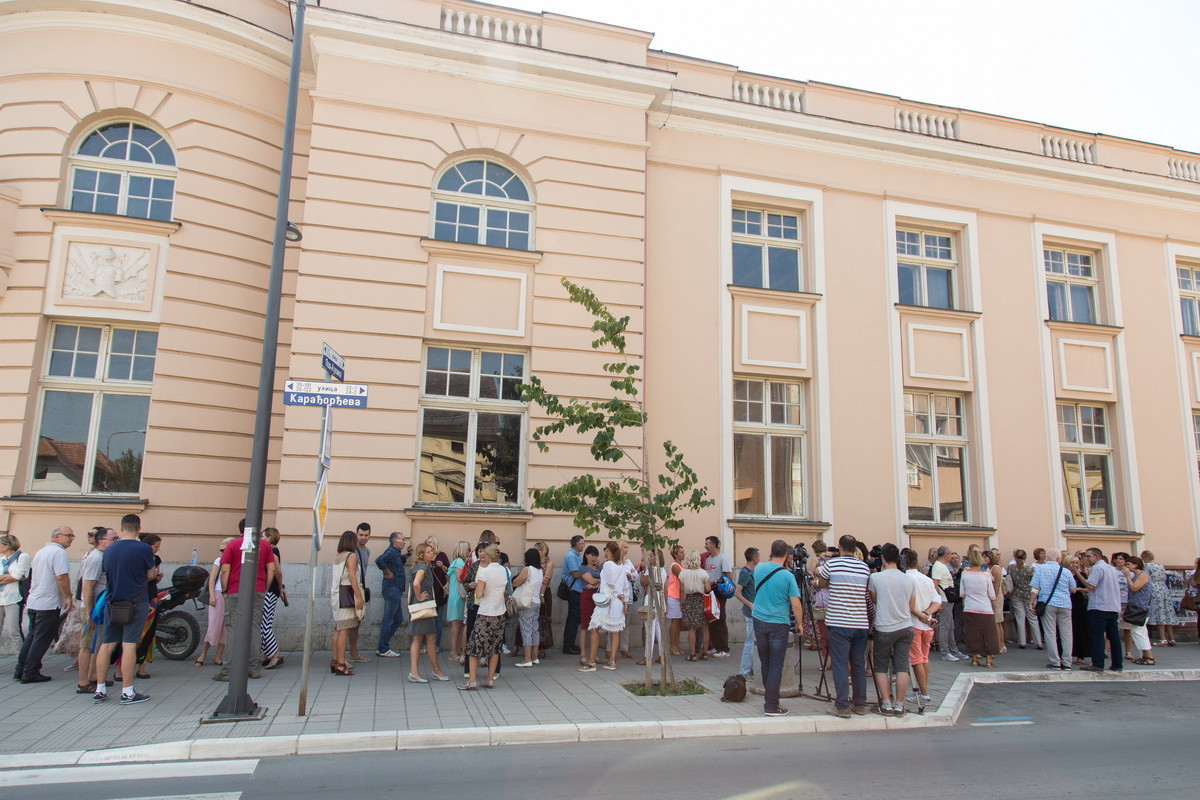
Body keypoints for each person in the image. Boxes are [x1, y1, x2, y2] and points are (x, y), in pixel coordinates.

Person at [91, 516, 155, 704]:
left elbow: (108, 571)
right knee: (129, 645)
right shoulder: (144, 548)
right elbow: (151, 574)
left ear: (121, 528)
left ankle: (99, 689)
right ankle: (127, 691)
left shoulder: (110, 549)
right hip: (136, 601)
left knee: (107, 644)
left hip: (112, 601)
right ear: (139, 528)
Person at [214, 519, 277, 681]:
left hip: (235, 590)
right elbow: (271, 569)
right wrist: (264, 587)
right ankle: (254, 668)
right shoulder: (265, 546)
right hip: (257, 590)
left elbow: (225, 570)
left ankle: (227, 670)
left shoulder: (233, 544)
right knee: (255, 627)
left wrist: (225, 590)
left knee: (232, 629)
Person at [818, 534, 872, 718]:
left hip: (839, 621)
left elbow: (823, 582)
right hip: (860, 622)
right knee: (858, 663)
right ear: (855, 548)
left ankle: (841, 705)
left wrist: (818, 582)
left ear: (839, 547)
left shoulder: (832, 564)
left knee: (840, 663)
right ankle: (860, 703)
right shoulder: (864, 567)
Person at [14, 526, 75, 683]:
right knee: (41, 638)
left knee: (32, 636)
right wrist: (68, 596)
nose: (71, 538)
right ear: (56, 537)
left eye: (72, 536)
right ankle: (30, 671)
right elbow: (61, 577)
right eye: (68, 535)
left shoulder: (42, 551)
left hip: (35, 600)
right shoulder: (59, 553)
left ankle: (20, 669)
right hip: (48, 603)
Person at [751, 540, 802, 717]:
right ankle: (771, 704)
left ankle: (770, 698)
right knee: (775, 664)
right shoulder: (788, 576)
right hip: (779, 622)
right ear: (787, 555)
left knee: (765, 661)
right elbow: (796, 603)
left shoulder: (759, 568)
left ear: (771, 552)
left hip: (759, 619)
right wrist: (800, 624)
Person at [868, 543, 918, 715]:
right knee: (902, 666)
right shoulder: (909, 579)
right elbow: (911, 606)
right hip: (905, 625)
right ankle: (900, 704)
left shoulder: (876, 578)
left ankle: (886, 703)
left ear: (882, 558)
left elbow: (874, 599)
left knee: (881, 666)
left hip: (884, 626)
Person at [460, 544, 506, 690]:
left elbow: (479, 594)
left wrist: (483, 589)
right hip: (500, 613)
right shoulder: (504, 570)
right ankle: (489, 679)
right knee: (495, 648)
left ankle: (472, 681)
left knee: (474, 647)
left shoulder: (484, 572)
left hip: (485, 613)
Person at [76, 528, 115, 693]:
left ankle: (94, 676)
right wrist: (90, 613)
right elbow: (87, 587)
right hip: (93, 609)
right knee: (87, 645)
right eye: (113, 539)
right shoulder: (96, 558)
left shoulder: (103, 556)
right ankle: (83, 682)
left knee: (97, 644)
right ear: (101, 541)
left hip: (100, 608)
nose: (116, 541)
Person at [1072, 547, 1122, 672]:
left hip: (1099, 606)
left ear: (1097, 556)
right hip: (1112, 606)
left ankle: (1098, 664)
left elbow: (1090, 586)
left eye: (1089, 556)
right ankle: (1117, 664)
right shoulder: (1111, 569)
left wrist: (1077, 573)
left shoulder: (1098, 568)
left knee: (1097, 636)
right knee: (1114, 637)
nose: (1087, 559)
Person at [407, 543, 450, 683]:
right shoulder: (423, 567)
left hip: (422, 607)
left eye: (431, 551)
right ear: (422, 555)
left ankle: (423, 671)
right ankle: (428, 671)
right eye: (428, 552)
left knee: (422, 638)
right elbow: (416, 583)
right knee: (425, 638)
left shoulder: (421, 566)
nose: (431, 554)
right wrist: (419, 597)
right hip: (423, 607)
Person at [584, 542, 629, 671]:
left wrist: (615, 594)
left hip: (607, 600)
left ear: (608, 550)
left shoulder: (608, 564)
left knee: (594, 627)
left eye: (605, 550)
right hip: (618, 602)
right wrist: (624, 600)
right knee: (615, 631)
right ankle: (612, 661)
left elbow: (610, 583)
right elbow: (625, 586)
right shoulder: (621, 566)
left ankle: (591, 661)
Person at [904, 550, 940, 706]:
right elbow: (937, 601)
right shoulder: (926, 579)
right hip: (927, 625)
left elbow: (909, 605)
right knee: (924, 658)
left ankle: (924, 693)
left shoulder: (906, 579)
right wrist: (927, 615)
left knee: (916, 659)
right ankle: (924, 690)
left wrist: (922, 615)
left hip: (914, 623)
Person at [1030, 548, 1072, 670]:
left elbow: (1035, 588)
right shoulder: (1065, 571)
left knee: (1050, 633)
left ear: (1047, 557)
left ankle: (1055, 661)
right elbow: (1072, 588)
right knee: (1066, 634)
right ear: (1058, 559)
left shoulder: (1040, 569)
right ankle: (1067, 662)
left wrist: (1031, 602)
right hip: (1065, 604)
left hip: (1048, 604)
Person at [195, 537, 234, 667]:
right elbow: (212, 579)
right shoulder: (219, 560)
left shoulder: (235, 561)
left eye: (223, 550)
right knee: (213, 626)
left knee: (225, 627)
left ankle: (218, 656)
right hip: (218, 593)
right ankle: (203, 654)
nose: (221, 553)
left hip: (230, 594)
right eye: (220, 550)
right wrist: (212, 595)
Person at [330, 530, 365, 676]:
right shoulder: (351, 556)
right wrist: (359, 597)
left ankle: (335, 660)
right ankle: (341, 664)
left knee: (338, 629)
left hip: (336, 594)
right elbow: (352, 577)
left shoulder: (338, 555)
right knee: (345, 630)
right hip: (346, 595)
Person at [960, 549, 999, 668]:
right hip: (985, 608)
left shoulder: (964, 574)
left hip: (969, 607)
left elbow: (962, 593)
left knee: (972, 633)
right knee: (988, 634)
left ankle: (975, 660)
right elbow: (992, 594)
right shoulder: (985, 575)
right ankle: (989, 661)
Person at [374, 531, 409, 659]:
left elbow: (398, 561)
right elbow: (379, 560)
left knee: (398, 619)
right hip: (392, 588)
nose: (404, 542)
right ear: (395, 541)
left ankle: (382, 645)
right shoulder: (391, 551)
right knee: (389, 619)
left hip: (396, 588)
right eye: (402, 540)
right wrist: (387, 572)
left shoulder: (396, 553)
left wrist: (408, 554)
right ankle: (383, 648)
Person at [133, 532, 163, 679]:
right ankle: (120, 667)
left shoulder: (156, 559)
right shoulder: (136, 557)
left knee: (148, 633)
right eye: (155, 546)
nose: (157, 549)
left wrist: (156, 578)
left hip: (151, 596)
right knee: (132, 634)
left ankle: (142, 666)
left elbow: (153, 578)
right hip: (138, 597)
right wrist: (151, 576)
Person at [931, 546, 964, 661]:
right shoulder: (938, 566)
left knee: (950, 625)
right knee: (945, 626)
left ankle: (953, 650)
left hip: (948, 600)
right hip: (944, 600)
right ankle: (945, 652)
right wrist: (938, 601)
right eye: (950, 554)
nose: (951, 556)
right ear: (945, 555)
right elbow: (935, 584)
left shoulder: (942, 566)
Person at [261, 528, 288, 669]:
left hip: (270, 591)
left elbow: (278, 571)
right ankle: (267, 654)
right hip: (271, 590)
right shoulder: (271, 551)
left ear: (269, 537)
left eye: (263, 536)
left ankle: (275, 654)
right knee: (264, 624)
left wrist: (279, 587)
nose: (261, 538)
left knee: (265, 625)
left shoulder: (272, 551)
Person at [0, 535, 31, 655]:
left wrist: (10, 576)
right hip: (1, 598)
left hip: (14, 598)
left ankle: (21, 659)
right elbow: (13, 576)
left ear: (7, 546)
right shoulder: (1, 560)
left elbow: (18, 576)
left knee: (14, 631)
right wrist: (10, 576)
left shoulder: (22, 557)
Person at [678, 551, 711, 662]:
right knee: (705, 628)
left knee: (691, 628)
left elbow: (682, 590)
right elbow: (708, 588)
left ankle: (692, 654)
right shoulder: (703, 573)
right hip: (701, 600)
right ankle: (705, 653)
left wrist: (681, 603)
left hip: (689, 600)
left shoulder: (683, 574)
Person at [513, 547, 544, 668]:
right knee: (534, 629)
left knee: (526, 629)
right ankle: (535, 656)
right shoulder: (540, 570)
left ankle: (527, 659)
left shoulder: (528, 569)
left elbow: (516, 582)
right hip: (536, 601)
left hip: (527, 602)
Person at [1141, 550, 1179, 646]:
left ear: (1145, 558)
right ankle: (1171, 638)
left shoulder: (1146, 566)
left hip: (1154, 589)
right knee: (1167, 612)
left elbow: (1145, 578)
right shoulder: (1160, 565)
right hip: (1163, 589)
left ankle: (1163, 639)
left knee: (1159, 613)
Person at [703, 535, 732, 657]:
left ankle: (724, 649)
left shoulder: (722, 558)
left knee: (720, 619)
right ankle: (715, 646)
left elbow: (729, 577)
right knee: (712, 619)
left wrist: (714, 582)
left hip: (719, 592)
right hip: (710, 592)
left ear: (714, 545)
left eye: (707, 544)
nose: (705, 546)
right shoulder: (708, 559)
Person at [1122, 555, 1154, 665]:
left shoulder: (1143, 575)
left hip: (1142, 608)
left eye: (1128, 564)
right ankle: (1145, 656)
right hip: (1137, 607)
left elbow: (1134, 587)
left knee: (1137, 630)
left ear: (1135, 565)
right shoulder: (1136, 576)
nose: (1127, 567)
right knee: (1141, 631)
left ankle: (1149, 656)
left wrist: (1127, 576)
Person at [734, 546, 760, 678]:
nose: (759, 559)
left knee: (754, 641)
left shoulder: (753, 571)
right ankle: (744, 671)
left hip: (756, 611)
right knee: (750, 641)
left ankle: (752, 669)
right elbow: (737, 592)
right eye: (758, 557)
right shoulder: (745, 573)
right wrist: (750, 604)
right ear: (754, 558)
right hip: (751, 612)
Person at [1008, 550, 1042, 650]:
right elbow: (1034, 583)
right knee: (1033, 619)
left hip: (1016, 594)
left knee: (1020, 618)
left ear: (1015, 557)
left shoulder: (1011, 568)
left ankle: (1022, 642)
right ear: (1025, 557)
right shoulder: (1030, 569)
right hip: (1029, 595)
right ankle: (1038, 642)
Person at [576, 545, 603, 670]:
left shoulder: (599, 567)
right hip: (587, 596)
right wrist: (598, 580)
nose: (593, 558)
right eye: (591, 555)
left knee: (595, 626)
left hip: (598, 596)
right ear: (586, 555)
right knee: (585, 625)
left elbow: (605, 579)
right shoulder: (582, 568)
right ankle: (583, 654)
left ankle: (593, 653)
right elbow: (591, 581)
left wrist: (597, 581)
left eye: (595, 555)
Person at [349, 522, 372, 664]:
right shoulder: (352, 551)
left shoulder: (367, 551)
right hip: (351, 589)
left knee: (357, 621)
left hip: (361, 587)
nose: (363, 538)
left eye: (366, 535)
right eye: (361, 535)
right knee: (345, 624)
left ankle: (353, 652)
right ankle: (343, 655)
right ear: (356, 534)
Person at [560, 534, 585, 655]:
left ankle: (570, 643)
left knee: (574, 618)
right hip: (574, 590)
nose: (583, 546)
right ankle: (568, 645)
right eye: (582, 543)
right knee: (574, 618)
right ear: (577, 544)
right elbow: (576, 574)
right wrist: (587, 572)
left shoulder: (576, 555)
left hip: (577, 589)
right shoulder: (571, 556)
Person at [446, 540, 470, 662]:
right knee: (456, 624)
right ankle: (454, 651)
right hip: (458, 596)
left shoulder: (458, 561)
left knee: (460, 624)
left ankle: (459, 649)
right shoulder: (459, 562)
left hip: (457, 595)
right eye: (468, 549)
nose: (470, 552)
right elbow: (461, 578)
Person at [1067, 554, 1092, 665]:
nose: (1074, 565)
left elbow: (1088, 588)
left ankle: (1081, 655)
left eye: (1076, 563)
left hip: (1079, 603)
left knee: (1081, 629)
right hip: (1067, 602)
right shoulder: (1064, 573)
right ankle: (1067, 654)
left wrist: (1079, 589)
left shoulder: (1082, 575)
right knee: (1069, 629)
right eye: (1072, 562)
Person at [982, 548, 1005, 653]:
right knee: (996, 621)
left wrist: (993, 598)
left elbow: (997, 585)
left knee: (997, 621)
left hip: (996, 596)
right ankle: (1000, 643)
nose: (984, 559)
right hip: (990, 596)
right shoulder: (986, 568)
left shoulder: (995, 568)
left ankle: (1000, 644)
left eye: (985, 557)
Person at [534, 541, 554, 660]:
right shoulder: (534, 561)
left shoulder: (549, 562)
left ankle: (542, 647)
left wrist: (541, 594)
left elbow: (546, 579)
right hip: (533, 591)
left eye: (539, 549)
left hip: (544, 592)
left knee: (544, 619)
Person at [666, 544, 685, 657]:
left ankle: (677, 644)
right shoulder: (675, 566)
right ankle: (672, 645)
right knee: (675, 622)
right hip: (674, 596)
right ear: (675, 555)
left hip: (679, 596)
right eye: (681, 553)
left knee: (678, 622)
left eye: (683, 552)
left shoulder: (680, 565)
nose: (683, 554)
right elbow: (682, 578)